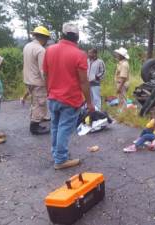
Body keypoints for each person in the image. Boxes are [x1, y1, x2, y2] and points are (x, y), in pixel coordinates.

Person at [43, 22, 95, 170]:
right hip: (70, 99)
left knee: (55, 127)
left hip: (53, 97)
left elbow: (45, 74)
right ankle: (60, 160)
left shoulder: (49, 50)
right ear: (77, 37)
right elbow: (84, 81)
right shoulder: (79, 54)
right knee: (64, 129)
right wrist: (90, 103)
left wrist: (49, 91)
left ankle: (57, 154)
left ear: (62, 35)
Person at [23, 26, 51, 135]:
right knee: (40, 103)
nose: (46, 41)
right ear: (43, 38)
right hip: (38, 81)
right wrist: (48, 85)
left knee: (34, 102)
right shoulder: (40, 50)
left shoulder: (27, 46)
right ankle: (35, 127)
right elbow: (43, 71)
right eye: (46, 39)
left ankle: (37, 121)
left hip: (29, 80)